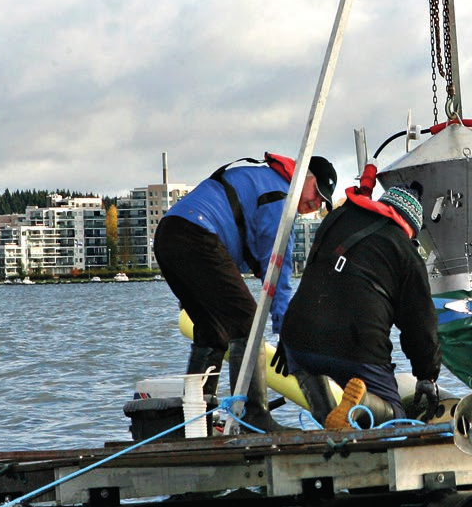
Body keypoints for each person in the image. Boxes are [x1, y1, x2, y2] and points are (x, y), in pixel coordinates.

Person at [153, 152, 336, 432]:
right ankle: (253, 416)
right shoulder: (279, 195)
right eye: (317, 192)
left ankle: (195, 420)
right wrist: (287, 332)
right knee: (248, 324)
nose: (316, 203)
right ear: (304, 177)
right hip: (197, 234)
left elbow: (267, 268)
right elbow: (278, 270)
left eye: (323, 202)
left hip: (169, 235)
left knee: (212, 333)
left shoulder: (266, 182)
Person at [277, 182, 441, 430]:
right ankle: (361, 404)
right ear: (411, 226)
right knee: (395, 418)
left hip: (297, 338)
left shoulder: (336, 220)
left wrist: (287, 336)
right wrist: (427, 375)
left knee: (309, 374)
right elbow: (420, 325)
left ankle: (331, 422)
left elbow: (311, 275)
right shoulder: (407, 252)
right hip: (356, 347)